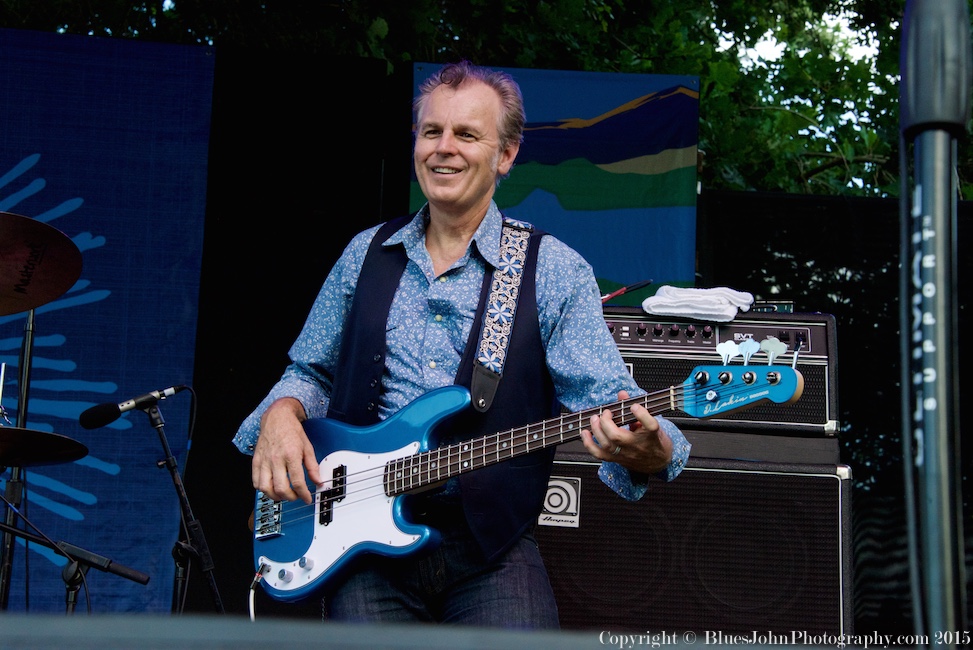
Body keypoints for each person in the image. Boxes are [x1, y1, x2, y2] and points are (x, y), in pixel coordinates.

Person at [234, 60, 691, 628]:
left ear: (506, 155)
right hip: (357, 540)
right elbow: (312, 371)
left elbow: (607, 393)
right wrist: (282, 412)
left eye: (467, 134)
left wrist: (655, 449)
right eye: (432, 132)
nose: (443, 148)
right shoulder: (365, 254)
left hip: (489, 549)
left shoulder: (553, 270)